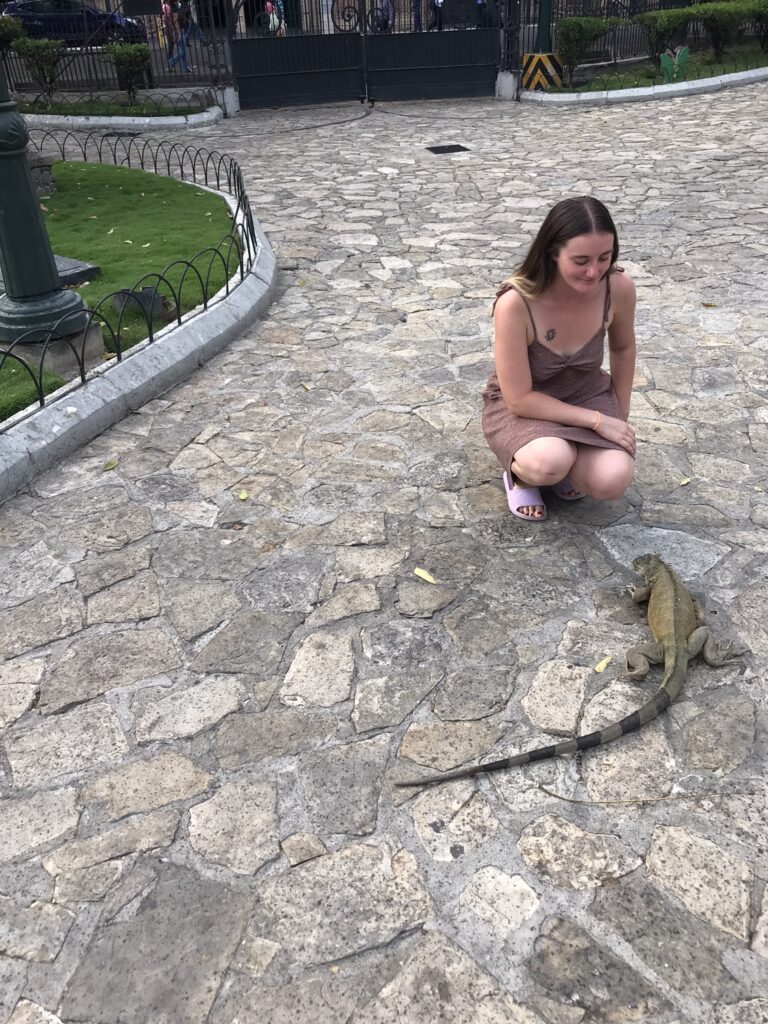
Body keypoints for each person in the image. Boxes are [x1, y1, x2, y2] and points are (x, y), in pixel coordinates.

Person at [481, 196, 637, 522]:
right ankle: (521, 476)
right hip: (526, 405)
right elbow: (520, 399)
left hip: (587, 393)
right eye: (580, 260)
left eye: (604, 257)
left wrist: (618, 414)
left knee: (613, 479)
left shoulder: (618, 288)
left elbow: (622, 349)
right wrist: (597, 422)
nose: (594, 271)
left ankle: (570, 468)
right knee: (548, 461)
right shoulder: (516, 304)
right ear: (553, 252)